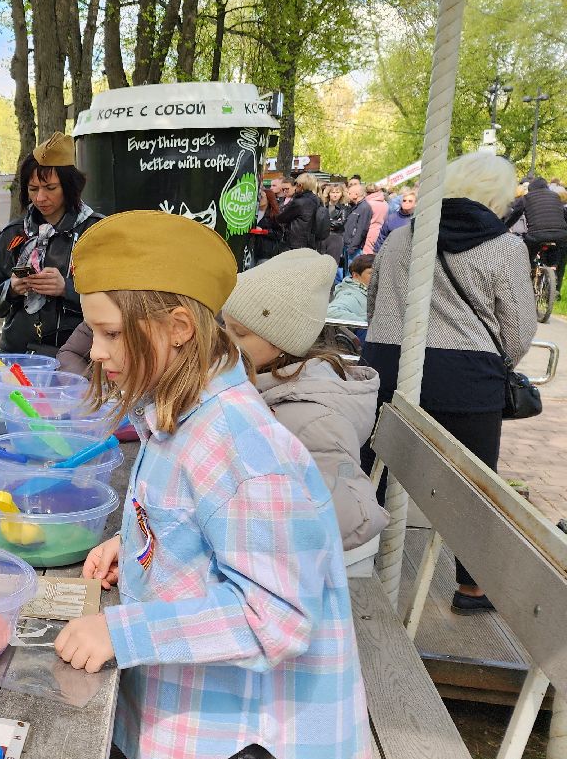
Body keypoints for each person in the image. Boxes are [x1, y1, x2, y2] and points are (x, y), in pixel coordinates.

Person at [51, 210, 370, 759]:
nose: (96, 352)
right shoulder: (185, 407)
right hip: (184, 703)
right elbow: (181, 526)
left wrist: (122, 626)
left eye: (107, 332)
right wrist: (129, 554)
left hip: (211, 734)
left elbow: (275, 619)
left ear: (176, 327)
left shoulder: (244, 449)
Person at [361, 153, 537, 614]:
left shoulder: (401, 239)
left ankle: (354, 562)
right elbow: (518, 329)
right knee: (472, 484)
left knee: (373, 467)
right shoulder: (505, 247)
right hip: (466, 376)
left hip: (389, 361)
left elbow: (374, 302)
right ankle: (472, 587)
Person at [222, 250, 389, 552]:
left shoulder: (315, 421)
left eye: (240, 332)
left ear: (282, 340)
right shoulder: (262, 382)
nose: (225, 339)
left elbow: (358, 516)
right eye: (226, 327)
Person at [0, 132, 104, 355]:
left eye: (50, 188)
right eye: (33, 189)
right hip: (16, 357)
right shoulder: (12, 235)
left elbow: (118, 302)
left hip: (77, 359)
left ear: (69, 186)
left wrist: (67, 288)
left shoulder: (96, 232)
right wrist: (12, 288)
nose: (40, 198)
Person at [507, 176, 567, 303]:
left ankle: (528, 275)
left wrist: (504, 227)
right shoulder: (556, 197)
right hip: (560, 235)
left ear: (531, 188)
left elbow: (515, 214)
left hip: (536, 235)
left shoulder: (526, 198)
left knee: (527, 256)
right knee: (556, 249)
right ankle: (552, 271)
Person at [276, 171, 324, 251]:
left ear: (300, 185)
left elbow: (281, 218)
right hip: (312, 242)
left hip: (295, 243)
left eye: (296, 184)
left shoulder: (299, 202)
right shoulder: (318, 200)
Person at [326, 254, 375, 325]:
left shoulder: (371, 291)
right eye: (371, 273)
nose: (377, 276)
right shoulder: (351, 294)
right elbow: (331, 312)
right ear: (355, 276)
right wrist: (367, 325)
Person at [372, 185, 416, 252]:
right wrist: (376, 253)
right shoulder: (391, 218)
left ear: (415, 203)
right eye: (404, 200)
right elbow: (381, 238)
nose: (406, 202)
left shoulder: (417, 218)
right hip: (391, 254)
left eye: (410, 201)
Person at [341, 180, 374, 266]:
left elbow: (361, 230)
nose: (347, 195)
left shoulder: (364, 208)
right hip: (348, 245)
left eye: (349, 193)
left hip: (354, 248)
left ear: (356, 195)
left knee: (352, 272)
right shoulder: (356, 207)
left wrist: (353, 247)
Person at [320, 182, 350, 263]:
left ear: (341, 194)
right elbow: (319, 220)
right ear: (329, 193)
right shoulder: (322, 206)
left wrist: (327, 221)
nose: (335, 195)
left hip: (335, 237)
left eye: (338, 192)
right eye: (333, 192)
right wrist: (333, 222)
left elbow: (341, 223)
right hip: (322, 238)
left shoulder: (344, 208)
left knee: (333, 263)